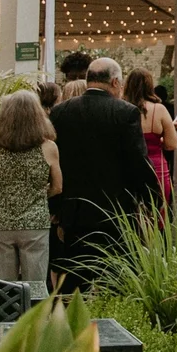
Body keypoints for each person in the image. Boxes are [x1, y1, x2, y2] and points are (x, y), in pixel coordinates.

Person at [46, 57, 161, 285]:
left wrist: (56, 208)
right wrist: (152, 199)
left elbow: (54, 162)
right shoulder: (126, 112)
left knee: (75, 277)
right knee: (113, 278)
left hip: (73, 211)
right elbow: (138, 161)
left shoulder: (60, 112)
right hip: (115, 210)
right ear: (116, 82)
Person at [0, 88, 61, 292]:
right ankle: (36, 322)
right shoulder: (48, 147)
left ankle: (7, 323)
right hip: (36, 223)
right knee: (35, 287)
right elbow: (58, 187)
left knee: (4, 288)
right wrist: (39, 195)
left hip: (3, 223)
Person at [123, 69, 177, 202]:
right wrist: (158, 139)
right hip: (156, 168)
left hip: (127, 168)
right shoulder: (159, 109)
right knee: (157, 213)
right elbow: (171, 145)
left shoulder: (120, 109)